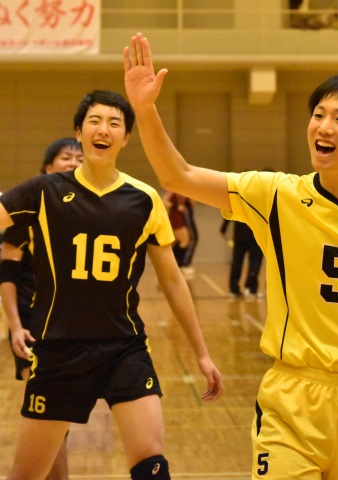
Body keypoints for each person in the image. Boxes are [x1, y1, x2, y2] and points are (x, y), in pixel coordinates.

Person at [124, 32, 338, 480]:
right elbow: (179, 175)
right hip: (292, 394)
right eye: (318, 114)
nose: (323, 126)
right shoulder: (276, 194)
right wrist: (145, 110)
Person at [0, 90, 223, 480]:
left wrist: (202, 353)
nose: (104, 129)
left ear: (126, 138)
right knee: (27, 475)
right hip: (59, 351)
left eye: (114, 123)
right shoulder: (44, 191)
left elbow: (173, 281)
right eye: (95, 121)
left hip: (124, 347)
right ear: (79, 132)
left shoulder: (144, 199)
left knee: (151, 462)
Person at [0, 137, 84, 480]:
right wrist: (15, 326)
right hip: (33, 325)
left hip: (70, 327)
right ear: (48, 168)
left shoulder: (86, 214)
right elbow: (6, 276)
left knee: (58, 417)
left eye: (80, 158)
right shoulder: (27, 212)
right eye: (66, 157)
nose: (74, 163)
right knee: (49, 414)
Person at [220, 219, 264, 298]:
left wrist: (223, 228)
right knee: (250, 262)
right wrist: (224, 228)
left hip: (247, 236)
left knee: (243, 263)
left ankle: (238, 289)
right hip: (249, 237)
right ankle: (248, 289)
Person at [162, 190, 191, 266]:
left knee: (172, 242)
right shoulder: (172, 191)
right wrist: (176, 207)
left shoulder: (184, 191)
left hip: (181, 217)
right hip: (175, 217)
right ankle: (178, 263)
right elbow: (164, 201)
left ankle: (169, 263)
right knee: (185, 240)